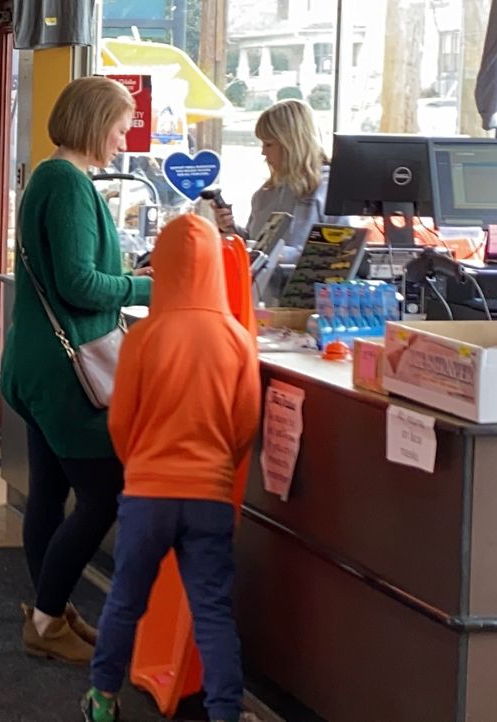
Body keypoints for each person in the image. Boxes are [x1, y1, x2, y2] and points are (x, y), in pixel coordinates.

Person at [80, 213, 261, 722]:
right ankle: (225, 711)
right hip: (209, 496)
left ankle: (101, 700)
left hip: (147, 494)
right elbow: (246, 422)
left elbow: (121, 421)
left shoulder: (144, 337)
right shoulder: (236, 338)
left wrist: (139, 464)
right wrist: (220, 469)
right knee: (211, 610)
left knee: (125, 602)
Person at [0, 75, 153, 665]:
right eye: (119, 125)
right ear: (94, 122)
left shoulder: (49, 177)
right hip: (68, 374)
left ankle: (50, 608)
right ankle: (45, 619)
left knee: (49, 494)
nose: (122, 138)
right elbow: (80, 283)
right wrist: (148, 286)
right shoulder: (67, 184)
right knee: (104, 494)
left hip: (36, 365)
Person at [212, 98, 339, 260]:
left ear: (292, 144)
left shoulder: (328, 190)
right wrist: (230, 229)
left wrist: (280, 255)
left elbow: (339, 254)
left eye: (269, 144)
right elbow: (255, 245)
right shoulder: (264, 194)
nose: (263, 152)